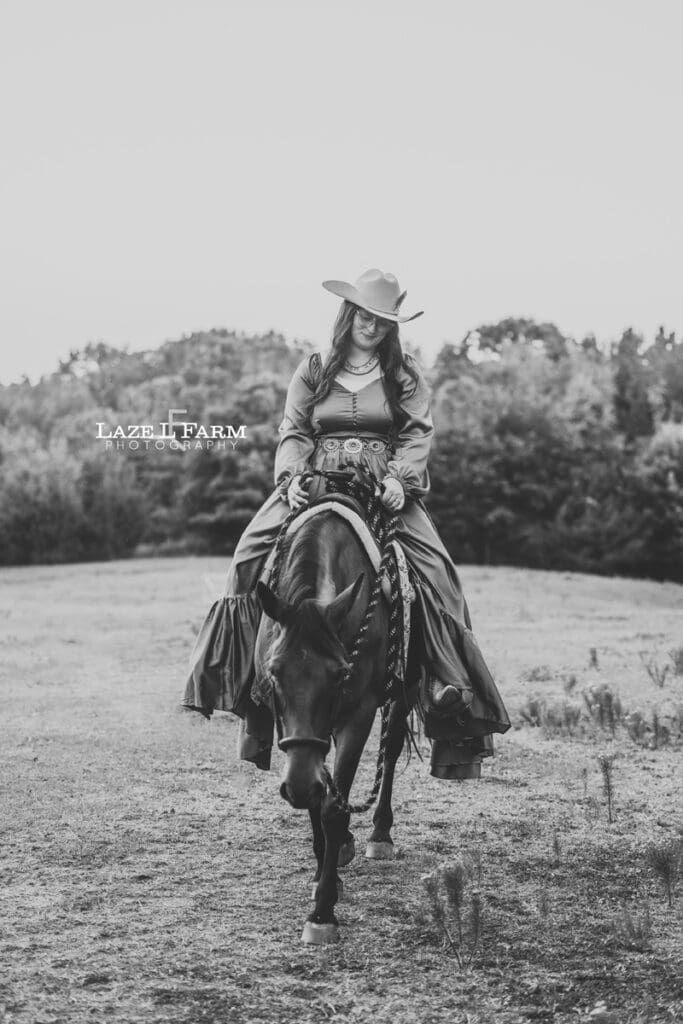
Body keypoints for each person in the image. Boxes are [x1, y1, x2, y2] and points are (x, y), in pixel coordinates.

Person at [182, 269, 510, 778]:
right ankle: (250, 683)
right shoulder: (313, 369)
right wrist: (290, 477)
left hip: (383, 487)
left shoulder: (405, 375)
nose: (372, 327)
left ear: (391, 325)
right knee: (248, 554)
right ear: (348, 313)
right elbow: (293, 429)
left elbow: (418, 433)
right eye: (364, 315)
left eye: (383, 320)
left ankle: (443, 686)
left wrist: (403, 478)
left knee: (440, 575)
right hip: (316, 480)